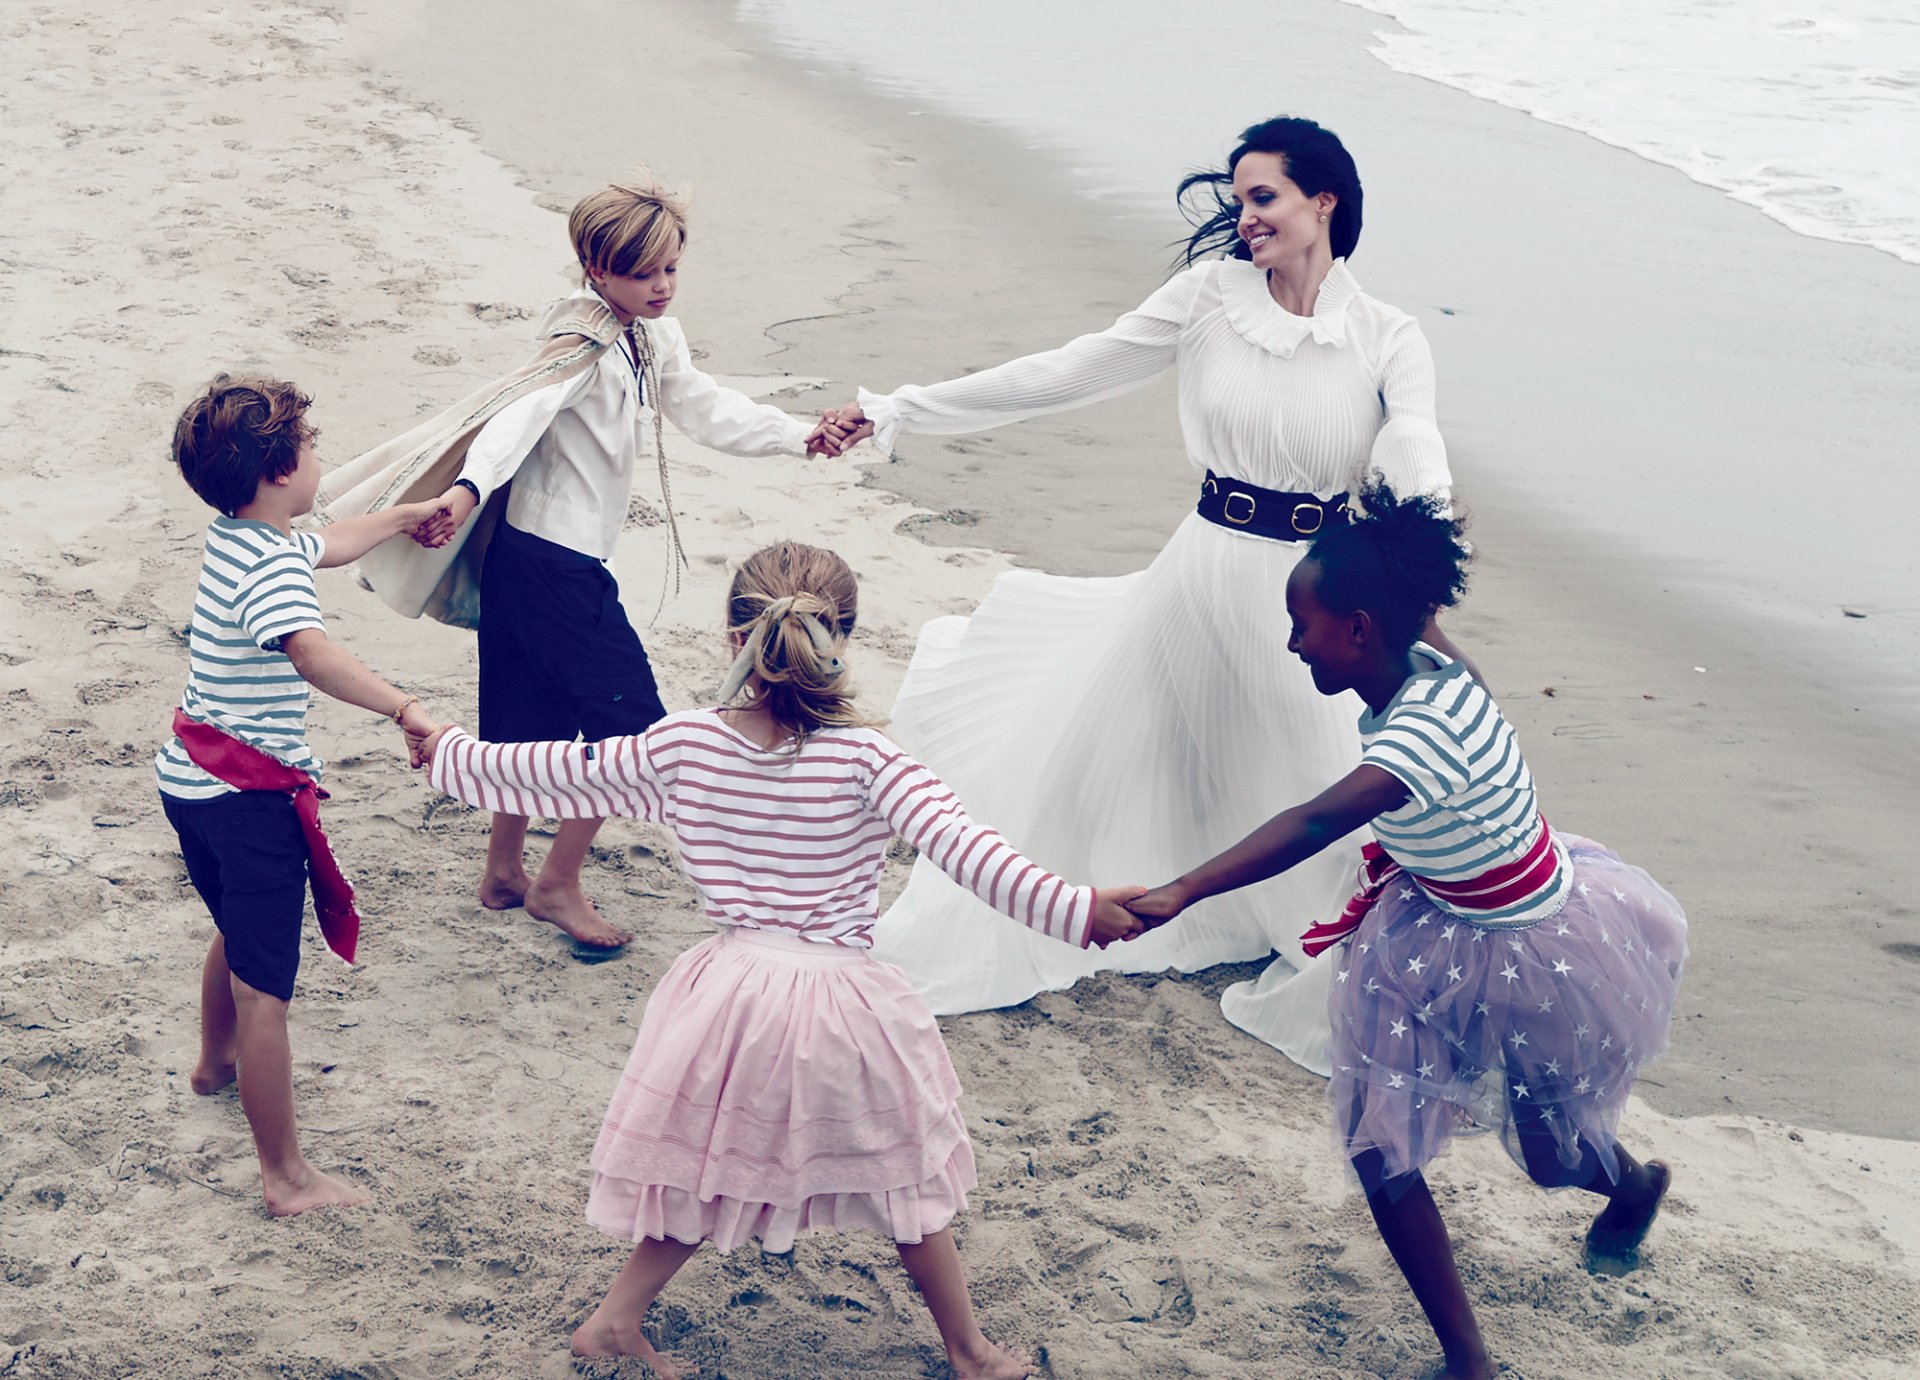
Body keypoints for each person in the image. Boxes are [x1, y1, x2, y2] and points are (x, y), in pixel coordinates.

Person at [825, 116, 1467, 1073]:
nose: (1246, 218)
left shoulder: (1388, 335)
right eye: (1239, 201)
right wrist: (901, 410)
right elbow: (1068, 372)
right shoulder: (1208, 298)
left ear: (1324, 199)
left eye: (1264, 197)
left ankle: (1297, 927)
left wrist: (1431, 558)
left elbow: (1413, 445)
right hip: (1201, 571)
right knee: (1102, 766)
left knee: (1315, 788)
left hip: (1314, 590)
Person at [416, 541, 1144, 1376]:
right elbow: (970, 853)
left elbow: (545, 774)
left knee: (708, 1169)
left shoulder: (683, 745)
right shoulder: (869, 758)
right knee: (903, 1181)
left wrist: (444, 750)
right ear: (844, 639)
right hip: (839, 1005)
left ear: (735, 637)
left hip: (728, 999)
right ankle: (970, 1351)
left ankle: (616, 1320)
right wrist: (1079, 911)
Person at [1125, 483, 1686, 1380]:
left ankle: (1635, 1184)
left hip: (1538, 951)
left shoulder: (1424, 737)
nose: (1292, 643)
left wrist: (1184, 890)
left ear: (1359, 630)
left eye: (1302, 627)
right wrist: (1363, 541)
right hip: (1440, 919)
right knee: (1381, 1151)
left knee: (1552, 1156)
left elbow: (1314, 821)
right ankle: (1469, 1360)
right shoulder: (1432, 661)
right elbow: (1414, 606)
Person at [373, 174, 854, 951]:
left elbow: (705, 408)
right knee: (633, 736)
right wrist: (466, 490)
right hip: (553, 567)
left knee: (525, 721)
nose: (662, 285)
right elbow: (516, 416)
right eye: (642, 273)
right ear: (596, 270)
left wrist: (799, 435)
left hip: (532, 560)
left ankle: (503, 873)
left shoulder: (651, 334)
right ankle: (555, 883)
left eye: (671, 268)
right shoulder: (582, 342)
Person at [155, 375, 449, 1217]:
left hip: (190, 778)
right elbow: (311, 653)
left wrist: (403, 516)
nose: (319, 458)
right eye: (312, 447)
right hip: (248, 800)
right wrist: (404, 706)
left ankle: (213, 1066)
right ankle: (286, 1177)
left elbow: (330, 542)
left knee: (236, 930)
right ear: (282, 469)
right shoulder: (273, 571)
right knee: (266, 988)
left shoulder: (242, 538)